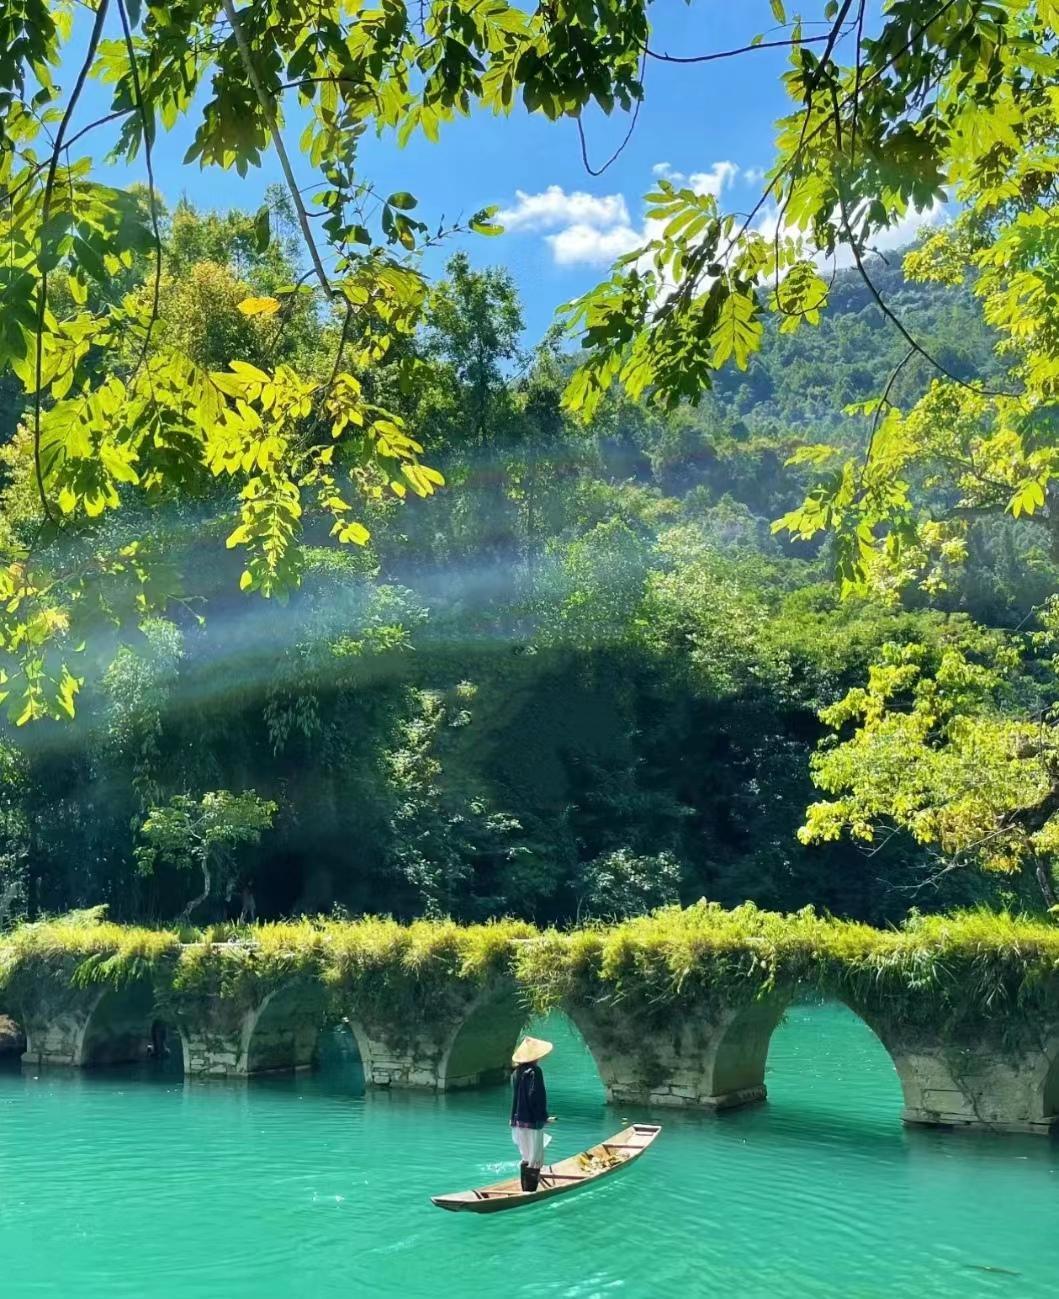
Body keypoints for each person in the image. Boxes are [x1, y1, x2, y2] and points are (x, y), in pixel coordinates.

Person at [510, 1036, 554, 1192]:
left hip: (518, 1121)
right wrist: (543, 1116)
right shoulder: (535, 1072)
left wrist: (512, 1119)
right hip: (533, 1121)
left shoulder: (516, 1073)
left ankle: (525, 1189)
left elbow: (516, 1098)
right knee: (536, 1157)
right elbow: (536, 1096)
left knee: (526, 1156)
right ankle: (531, 1191)